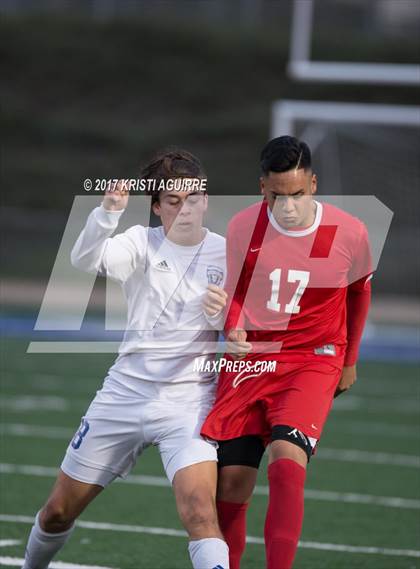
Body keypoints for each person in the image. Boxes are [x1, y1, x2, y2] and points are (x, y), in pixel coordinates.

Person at [22, 149, 230, 569]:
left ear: (206, 200)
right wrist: (106, 214)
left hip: (189, 403)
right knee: (58, 511)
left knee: (200, 513)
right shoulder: (140, 241)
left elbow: (251, 327)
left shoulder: (229, 253)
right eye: (173, 201)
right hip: (124, 395)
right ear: (157, 207)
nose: (185, 208)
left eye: (194, 198)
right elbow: (84, 260)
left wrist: (226, 315)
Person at [201, 136, 372, 569]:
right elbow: (235, 292)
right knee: (232, 483)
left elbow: (359, 294)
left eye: (297, 194)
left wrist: (348, 360)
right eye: (278, 195)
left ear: (313, 185)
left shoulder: (348, 231)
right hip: (253, 360)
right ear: (263, 187)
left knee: (286, 459)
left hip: (313, 358)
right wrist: (233, 323)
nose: (289, 206)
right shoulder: (242, 226)